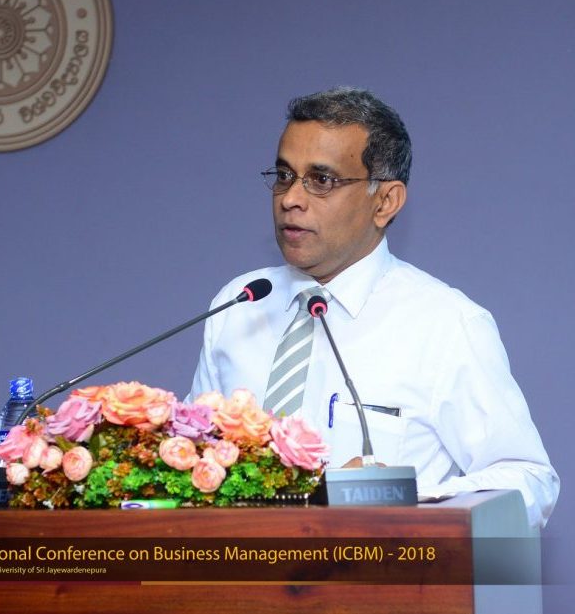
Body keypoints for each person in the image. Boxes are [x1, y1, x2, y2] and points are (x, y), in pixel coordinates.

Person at [189, 87, 559, 528]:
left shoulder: (445, 325)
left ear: (385, 202)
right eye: (285, 175)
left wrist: (399, 497)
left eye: (321, 180)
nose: (290, 198)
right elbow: (194, 459)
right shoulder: (239, 303)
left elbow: (530, 481)